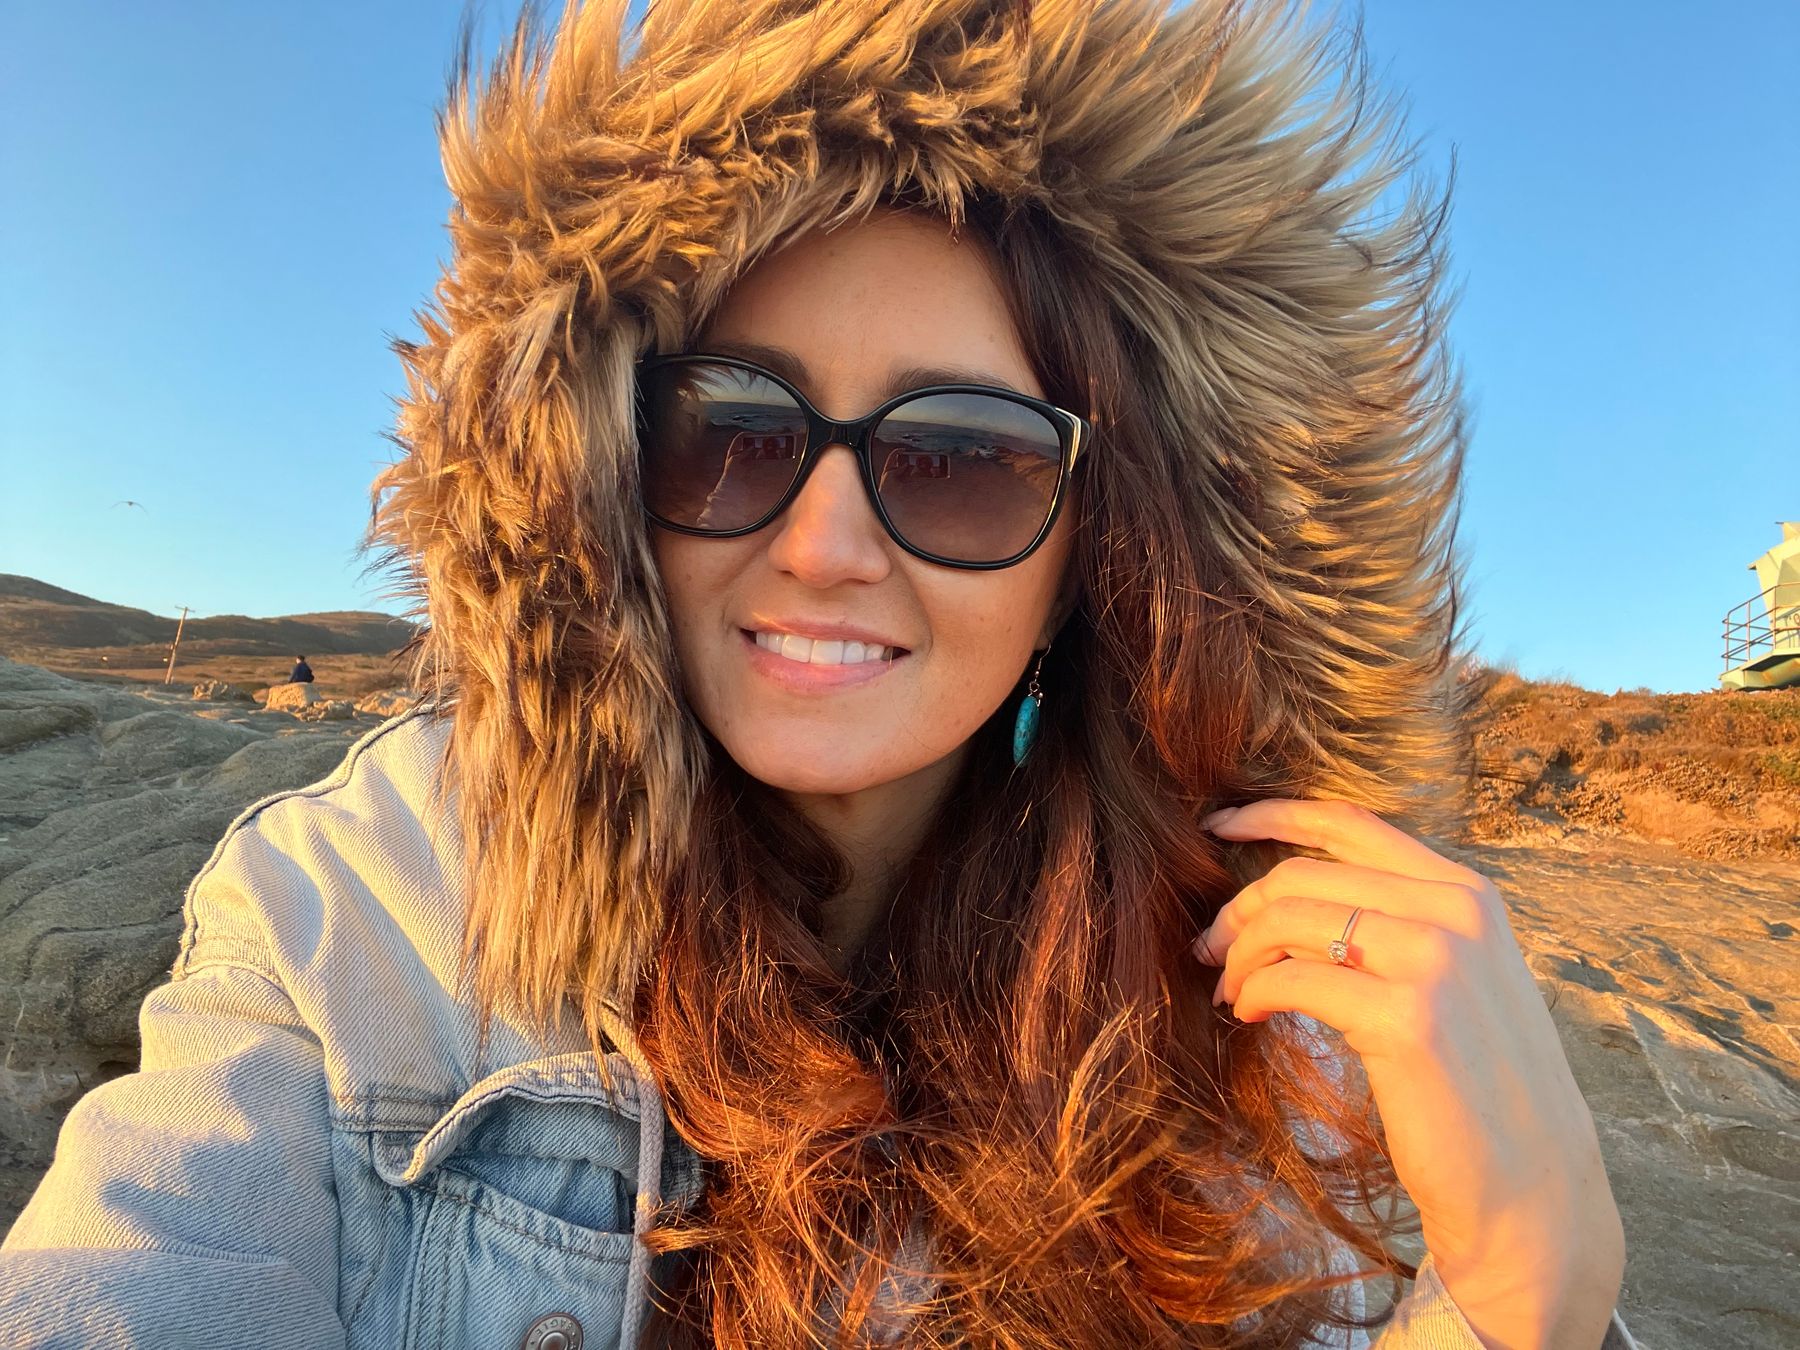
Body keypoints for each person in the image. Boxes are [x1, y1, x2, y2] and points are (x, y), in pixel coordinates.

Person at [0, 2, 1640, 1347]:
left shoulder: (1272, 1032)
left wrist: (1512, 1303)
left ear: (1098, 556)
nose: (826, 542)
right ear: (601, 480)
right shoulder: (367, 919)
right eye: (731, 432)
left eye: (961, 461)